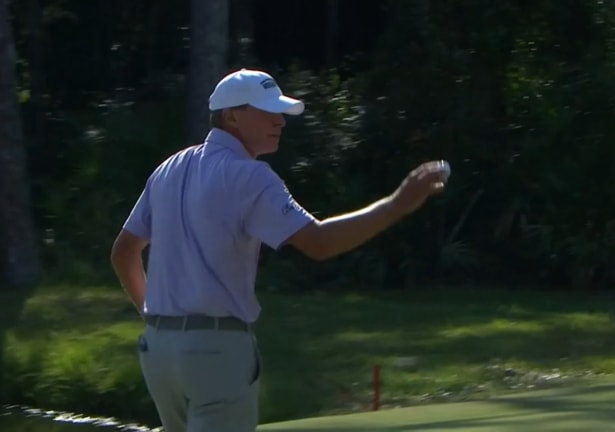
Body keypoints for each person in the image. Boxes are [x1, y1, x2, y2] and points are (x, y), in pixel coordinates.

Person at [110, 68, 449, 432]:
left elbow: (124, 252)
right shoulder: (251, 176)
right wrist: (396, 205)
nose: (280, 122)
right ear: (233, 116)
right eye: (267, 111)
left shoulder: (168, 169)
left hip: (158, 350)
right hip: (216, 353)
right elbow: (319, 243)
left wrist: (153, 316)